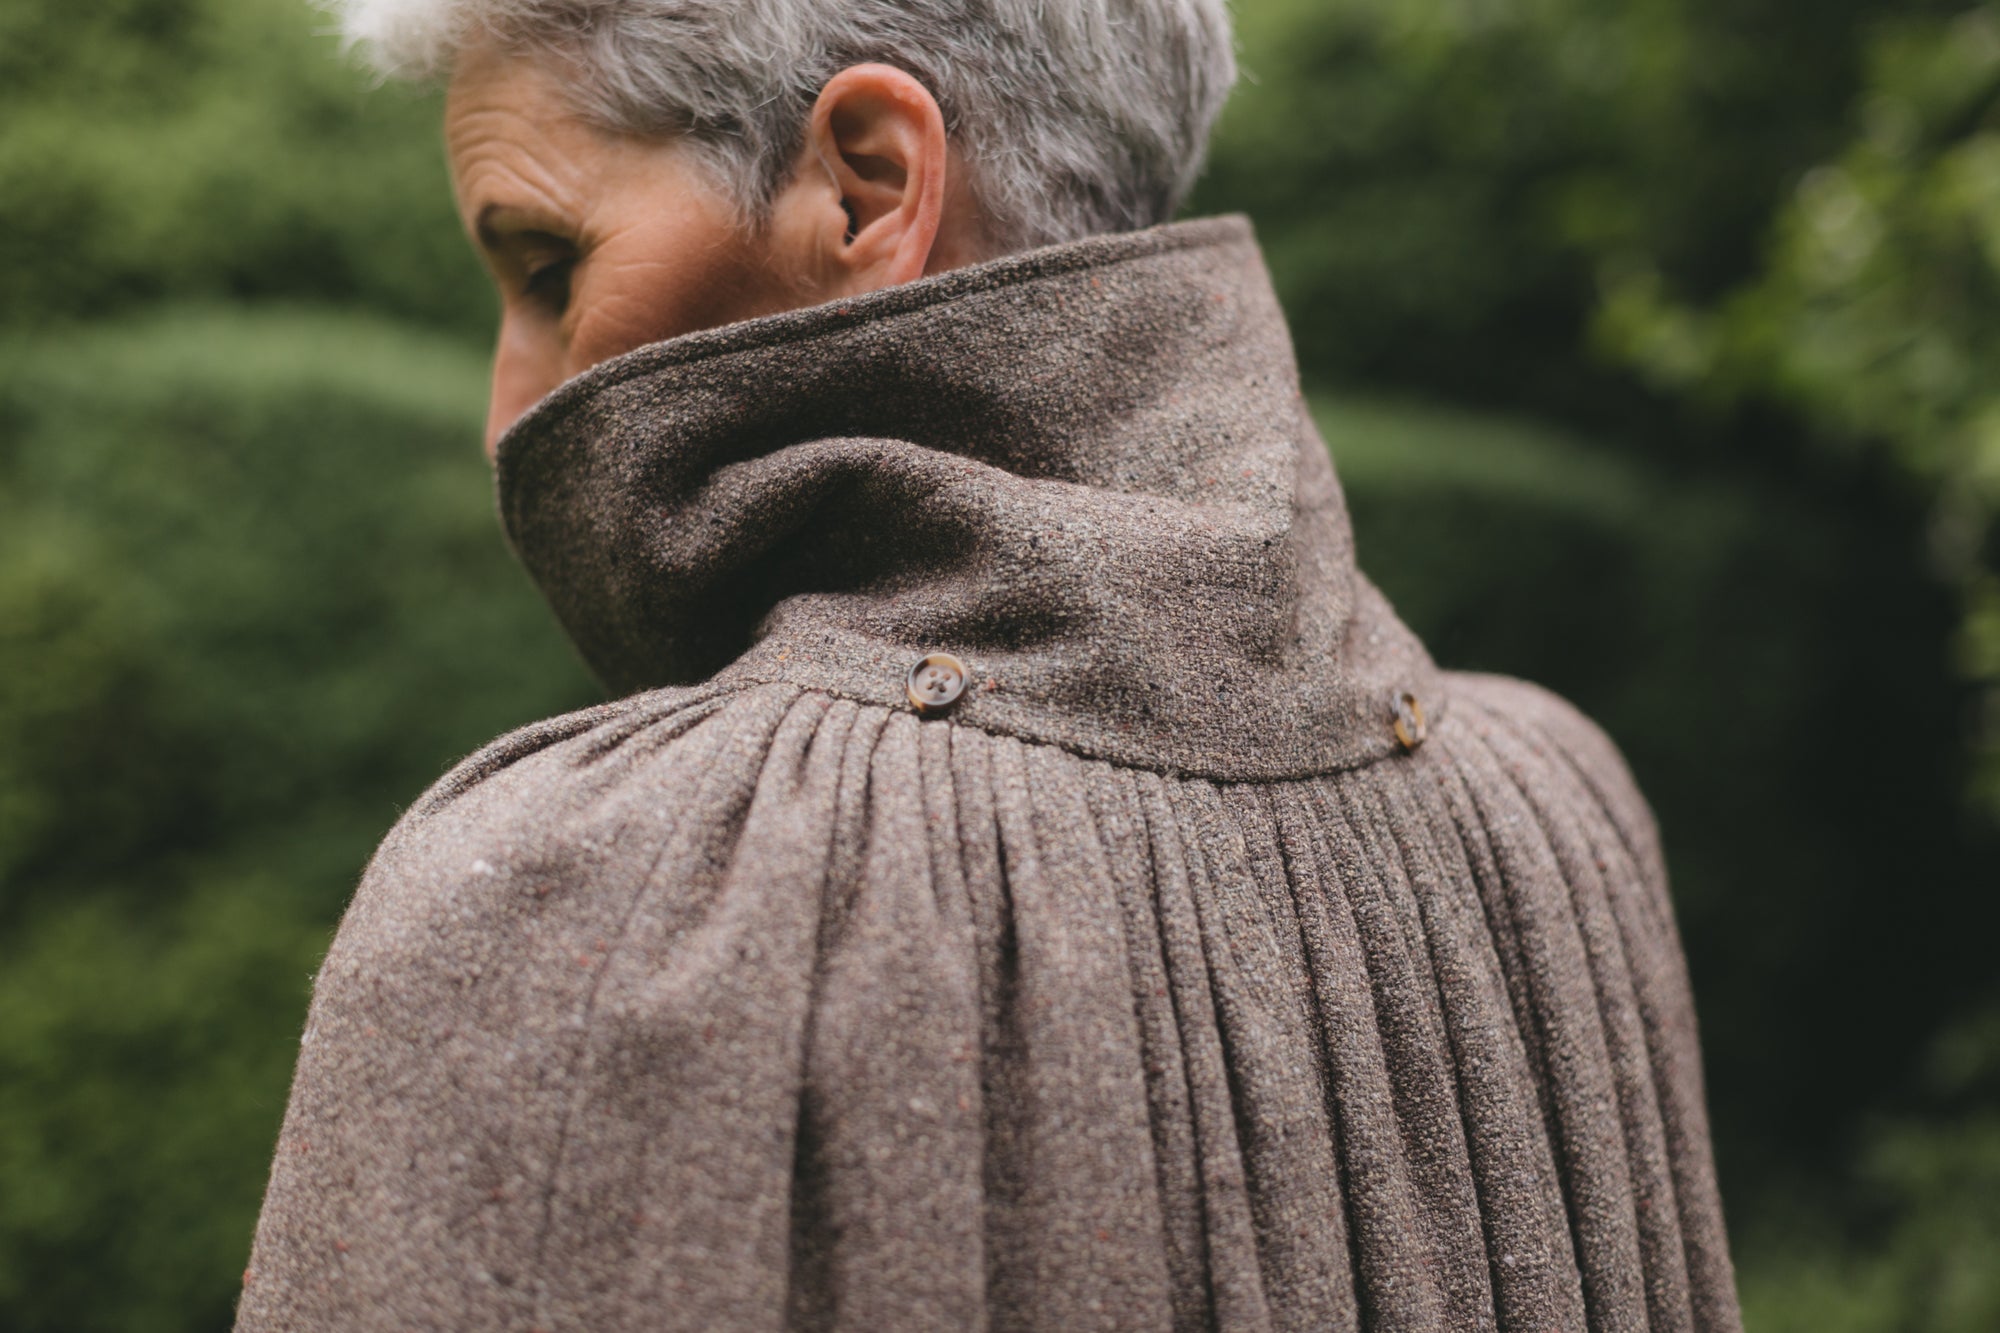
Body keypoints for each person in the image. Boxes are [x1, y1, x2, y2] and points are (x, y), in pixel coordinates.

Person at [237, 2, 1743, 1329]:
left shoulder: (588, 888)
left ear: (867, 182)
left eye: (550, 264)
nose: (510, 415)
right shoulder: (1558, 817)